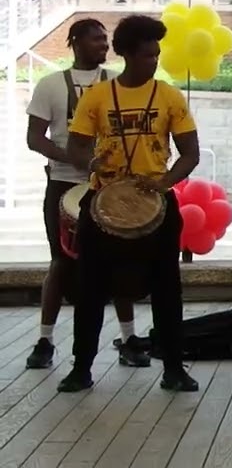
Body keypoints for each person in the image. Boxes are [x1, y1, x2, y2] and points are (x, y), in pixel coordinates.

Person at [58, 15, 201, 393]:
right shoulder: (98, 96)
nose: (153, 61)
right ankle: (81, 368)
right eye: (146, 55)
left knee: (167, 289)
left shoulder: (169, 96)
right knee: (90, 289)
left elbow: (190, 153)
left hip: (157, 202)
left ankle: (174, 369)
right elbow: (75, 147)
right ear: (125, 54)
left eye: (156, 55)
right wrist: (92, 164)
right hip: (103, 202)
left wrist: (165, 182)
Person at [24, 19, 148, 370]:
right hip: (64, 184)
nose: (103, 45)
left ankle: (128, 338)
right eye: (96, 39)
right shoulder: (50, 85)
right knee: (61, 261)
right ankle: (45, 340)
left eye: (105, 40)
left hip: (111, 186)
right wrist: (75, 159)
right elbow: (34, 138)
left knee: (119, 260)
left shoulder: (118, 84)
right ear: (75, 42)